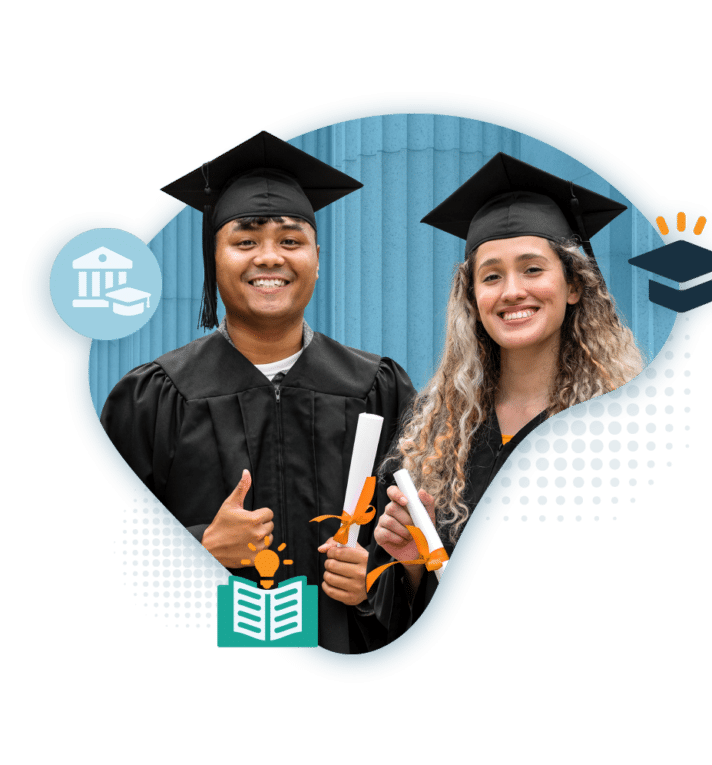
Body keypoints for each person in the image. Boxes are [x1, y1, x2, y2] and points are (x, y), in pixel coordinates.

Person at [101, 132, 415, 653]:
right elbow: (103, 552)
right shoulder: (152, 397)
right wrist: (199, 547)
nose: (269, 258)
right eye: (245, 241)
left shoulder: (378, 388)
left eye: (291, 241)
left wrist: (373, 584)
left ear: (318, 257)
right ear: (214, 257)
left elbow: (418, 544)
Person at [368, 153, 644, 641]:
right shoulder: (433, 431)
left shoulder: (620, 427)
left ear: (574, 285)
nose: (512, 291)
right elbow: (401, 616)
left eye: (533, 269)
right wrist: (411, 561)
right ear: (472, 298)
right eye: (491, 276)